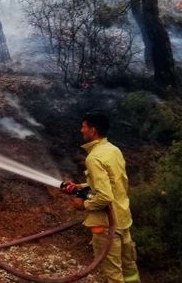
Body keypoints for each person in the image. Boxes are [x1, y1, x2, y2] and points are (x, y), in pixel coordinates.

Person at [62, 112, 141, 283]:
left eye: (84, 126)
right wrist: (80, 187)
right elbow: (113, 182)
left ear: (93, 130)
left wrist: (83, 205)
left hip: (106, 225)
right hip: (123, 218)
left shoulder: (94, 158)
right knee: (129, 268)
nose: (81, 130)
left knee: (113, 274)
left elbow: (104, 196)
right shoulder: (113, 150)